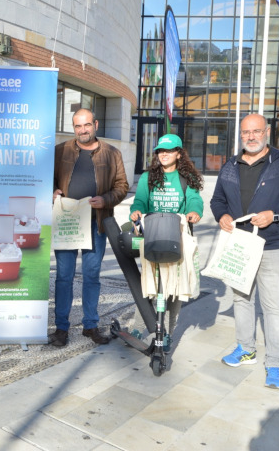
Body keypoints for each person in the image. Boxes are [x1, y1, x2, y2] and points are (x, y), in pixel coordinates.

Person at [211, 113, 279, 389]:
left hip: (271, 245)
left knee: (273, 308)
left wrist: (276, 215)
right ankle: (246, 349)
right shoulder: (230, 165)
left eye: (256, 131)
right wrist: (221, 215)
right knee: (242, 300)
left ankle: (275, 363)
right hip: (239, 247)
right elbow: (217, 199)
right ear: (240, 135)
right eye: (246, 132)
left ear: (267, 132)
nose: (251, 136)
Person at [51, 108, 129, 347]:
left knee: (91, 276)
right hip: (67, 222)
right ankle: (61, 328)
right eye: (77, 126)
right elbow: (47, 178)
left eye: (86, 125)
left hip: (96, 224)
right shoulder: (60, 151)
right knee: (63, 277)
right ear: (73, 127)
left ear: (95, 124)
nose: (82, 130)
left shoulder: (111, 153)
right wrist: (51, 191)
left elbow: (122, 185)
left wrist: (105, 200)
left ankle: (90, 326)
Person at [128, 133, 204, 343]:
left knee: (174, 285)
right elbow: (141, 201)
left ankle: (167, 332)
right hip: (153, 233)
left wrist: (195, 212)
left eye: (169, 151)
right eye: (161, 151)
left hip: (177, 234)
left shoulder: (186, 178)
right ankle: (138, 327)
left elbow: (195, 200)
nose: (164, 154)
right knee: (148, 281)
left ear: (179, 154)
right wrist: (135, 212)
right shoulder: (147, 177)